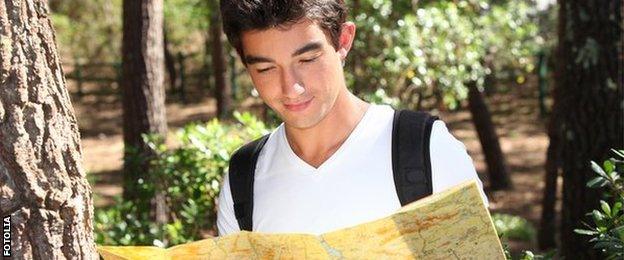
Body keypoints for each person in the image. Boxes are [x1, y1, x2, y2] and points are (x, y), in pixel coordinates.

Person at [216, 0, 488, 236]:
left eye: (308, 59)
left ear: (343, 41)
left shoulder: (427, 151)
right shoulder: (244, 178)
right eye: (265, 68)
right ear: (244, 63)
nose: (292, 88)